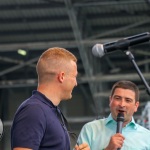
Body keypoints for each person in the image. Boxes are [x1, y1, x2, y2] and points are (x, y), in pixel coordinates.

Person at [11, 47, 90, 150]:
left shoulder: (48, 111)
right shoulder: (33, 111)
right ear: (61, 76)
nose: (76, 83)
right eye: (74, 76)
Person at [77, 80, 150, 150]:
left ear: (136, 106)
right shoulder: (90, 130)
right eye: (117, 98)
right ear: (110, 100)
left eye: (128, 100)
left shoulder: (147, 137)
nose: (122, 104)